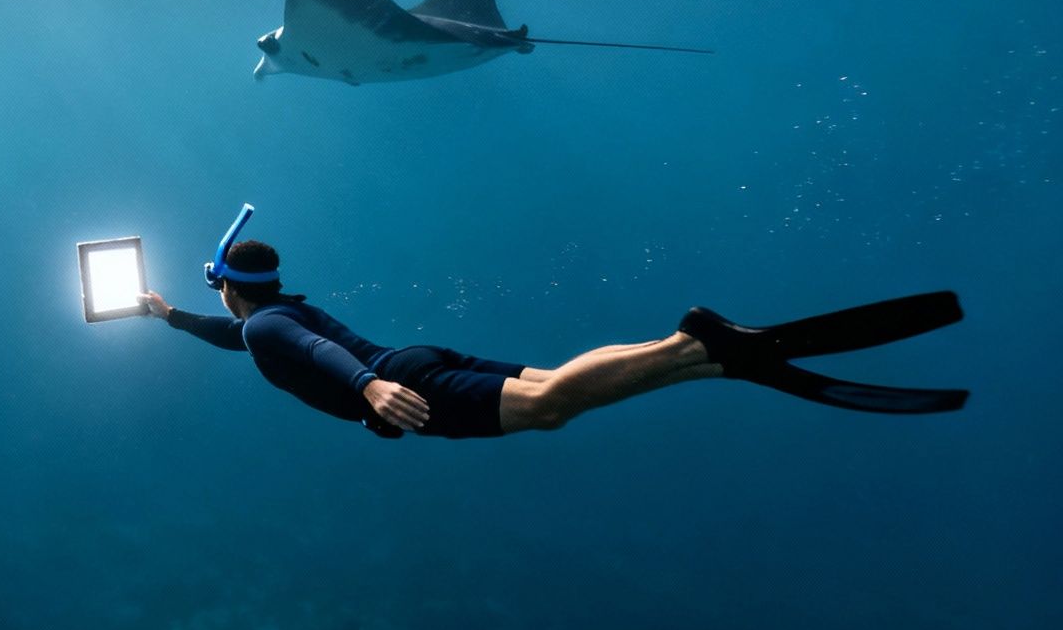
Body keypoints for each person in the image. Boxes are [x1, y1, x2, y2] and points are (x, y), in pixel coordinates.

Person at [140, 205, 967, 439]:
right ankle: (708, 359)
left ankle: (693, 345)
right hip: (418, 357)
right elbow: (256, 333)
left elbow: (305, 350)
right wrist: (169, 315)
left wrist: (371, 389)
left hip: (406, 383)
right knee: (553, 381)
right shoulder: (271, 310)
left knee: (549, 407)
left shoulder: (266, 328)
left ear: (227, 287)